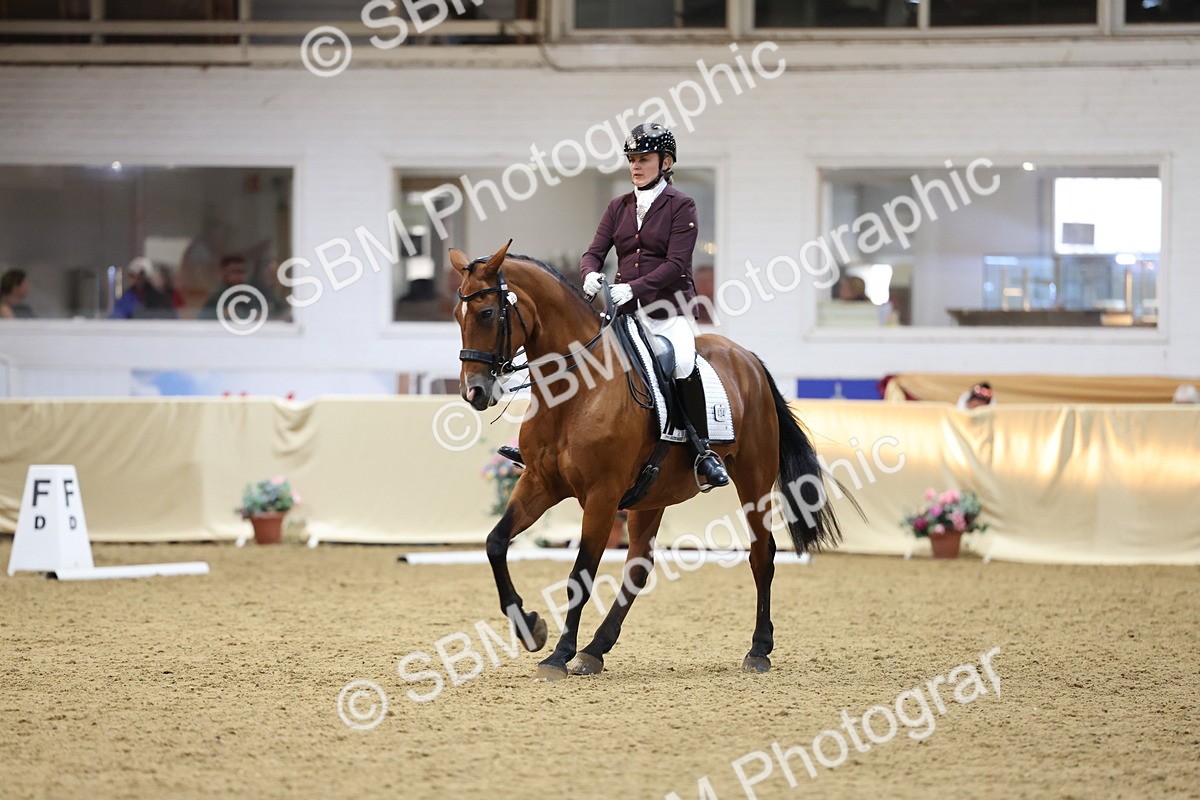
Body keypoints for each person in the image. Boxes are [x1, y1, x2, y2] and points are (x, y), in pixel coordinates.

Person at [500, 123, 728, 489]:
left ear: (665, 162)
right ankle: (538, 445)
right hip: (625, 316)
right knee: (573, 359)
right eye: (632, 160)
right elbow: (594, 252)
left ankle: (701, 451)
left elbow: (676, 264)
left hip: (669, 314)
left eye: (644, 159)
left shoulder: (681, 206)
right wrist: (590, 273)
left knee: (683, 362)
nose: (636, 167)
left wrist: (633, 288)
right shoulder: (618, 206)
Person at [110, 259, 176, 319]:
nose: (138, 280)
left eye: (142, 276)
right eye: (132, 276)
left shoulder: (163, 299)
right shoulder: (127, 298)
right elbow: (115, 319)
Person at [197, 255, 250, 320]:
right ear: (223, 273)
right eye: (234, 271)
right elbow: (202, 319)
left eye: (242, 272)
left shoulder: (252, 294)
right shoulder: (217, 296)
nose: (239, 276)